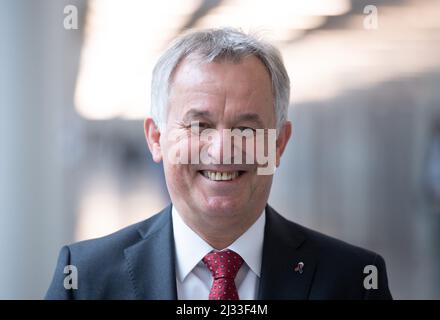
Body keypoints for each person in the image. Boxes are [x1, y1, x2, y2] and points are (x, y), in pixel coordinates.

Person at [46, 28, 392, 300]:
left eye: (246, 128)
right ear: (156, 138)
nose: (223, 151)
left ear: (279, 143)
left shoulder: (354, 281)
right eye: (199, 125)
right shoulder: (84, 279)